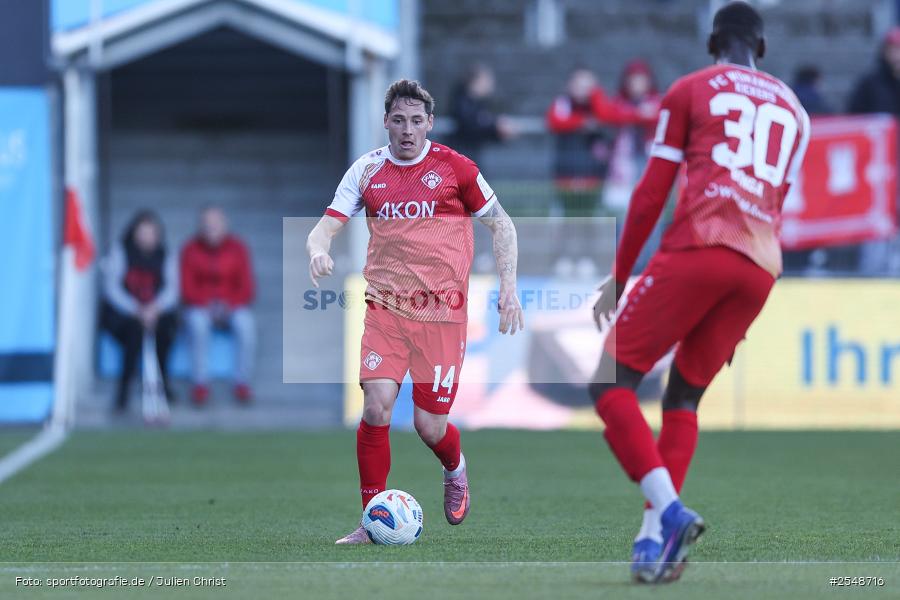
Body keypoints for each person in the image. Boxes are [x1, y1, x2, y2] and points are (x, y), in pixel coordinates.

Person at [589, 2, 809, 583]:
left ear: (713, 44)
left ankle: (671, 511)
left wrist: (620, 274)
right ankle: (651, 543)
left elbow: (651, 192)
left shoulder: (691, 89)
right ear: (760, 48)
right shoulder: (795, 110)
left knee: (611, 382)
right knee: (683, 398)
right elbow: (777, 202)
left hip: (700, 248)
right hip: (759, 267)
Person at [307, 79, 524, 544]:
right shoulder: (366, 171)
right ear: (386, 122)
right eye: (398, 120)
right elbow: (323, 228)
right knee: (377, 406)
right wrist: (317, 251)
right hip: (386, 307)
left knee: (429, 426)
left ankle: (455, 467)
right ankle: (372, 521)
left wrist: (509, 288)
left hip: (443, 312)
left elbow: (501, 224)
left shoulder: (455, 168)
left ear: (430, 122)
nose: (407, 130)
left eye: (416, 121)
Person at [546, 66, 655, 275]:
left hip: (592, 172)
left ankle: (587, 257)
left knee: (589, 216)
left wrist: (595, 95)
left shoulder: (597, 105)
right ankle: (563, 257)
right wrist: (582, 123)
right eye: (579, 84)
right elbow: (555, 121)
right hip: (566, 172)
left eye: (588, 85)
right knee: (566, 216)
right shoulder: (563, 103)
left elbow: (607, 115)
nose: (583, 90)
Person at [101, 210, 179, 411]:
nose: (147, 237)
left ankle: (163, 384)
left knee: (165, 332)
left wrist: (156, 308)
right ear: (134, 233)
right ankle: (124, 389)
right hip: (126, 316)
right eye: (142, 232)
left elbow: (172, 290)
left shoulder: (165, 255)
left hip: (156, 314)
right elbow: (112, 289)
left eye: (151, 233)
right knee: (134, 333)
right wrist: (136, 309)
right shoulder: (121, 252)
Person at [180, 206, 256, 405]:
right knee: (197, 323)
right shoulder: (190, 249)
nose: (211, 228)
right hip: (201, 306)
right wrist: (206, 304)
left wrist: (228, 305)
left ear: (225, 225)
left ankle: (242, 382)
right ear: (200, 226)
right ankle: (200, 384)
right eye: (207, 224)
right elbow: (186, 288)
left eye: (215, 224)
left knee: (245, 323)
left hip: (230, 306)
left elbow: (247, 287)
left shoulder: (238, 248)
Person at [449, 62, 515, 165]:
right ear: (476, 81)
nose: (490, 84)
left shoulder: (477, 103)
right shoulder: (462, 102)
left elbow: (481, 126)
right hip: (461, 158)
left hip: (469, 157)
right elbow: (470, 125)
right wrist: (495, 126)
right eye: (487, 80)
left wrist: (498, 130)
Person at [847, 26, 900, 115]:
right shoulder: (869, 84)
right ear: (885, 52)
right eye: (894, 50)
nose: (898, 56)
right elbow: (853, 117)